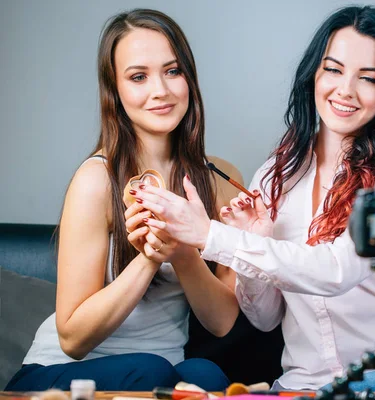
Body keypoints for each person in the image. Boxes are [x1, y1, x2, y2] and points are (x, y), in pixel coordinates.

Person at [130, 6, 375, 392]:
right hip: (304, 384)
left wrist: (211, 235)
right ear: (314, 74)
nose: (345, 90)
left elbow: (338, 272)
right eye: (333, 70)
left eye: (368, 78)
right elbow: (266, 317)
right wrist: (258, 239)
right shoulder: (273, 175)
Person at [5, 9, 241, 391]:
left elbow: (222, 322)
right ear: (115, 91)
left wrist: (181, 252)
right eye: (138, 77)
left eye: (173, 71)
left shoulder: (219, 179)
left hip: (160, 369)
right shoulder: (95, 180)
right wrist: (149, 256)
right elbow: (73, 339)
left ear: (189, 79)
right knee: (151, 372)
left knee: (207, 375)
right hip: (57, 374)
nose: (160, 90)